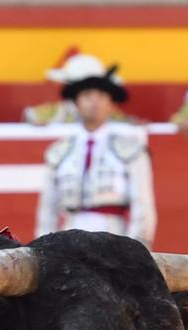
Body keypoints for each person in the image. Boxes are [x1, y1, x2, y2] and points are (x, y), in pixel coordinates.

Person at [34, 62, 156, 248]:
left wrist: (134, 252)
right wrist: (43, 251)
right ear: (76, 102)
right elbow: (47, 211)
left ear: (111, 104)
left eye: (101, 96)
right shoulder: (58, 152)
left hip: (115, 238)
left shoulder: (131, 151)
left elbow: (143, 208)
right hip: (68, 239)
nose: (94, 102)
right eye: (87, 96)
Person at [23, 52, 131, 126]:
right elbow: (29, 119)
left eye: (100, 94)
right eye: (87, 94)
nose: (94, 100)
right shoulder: (51, 113)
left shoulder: (113, 116)